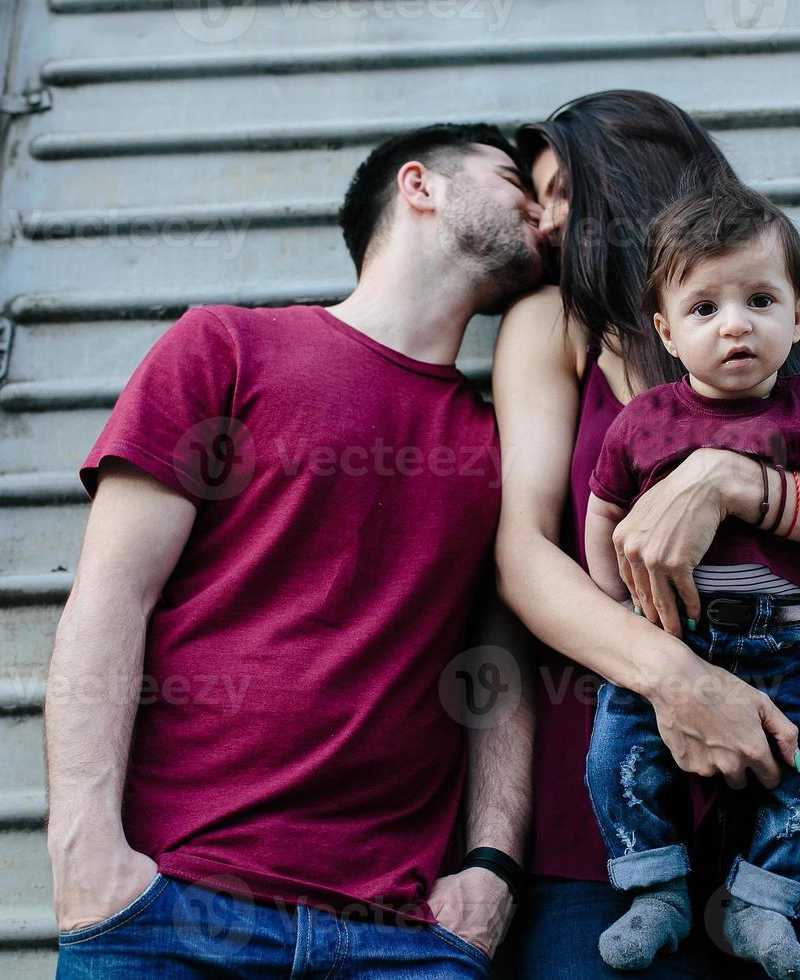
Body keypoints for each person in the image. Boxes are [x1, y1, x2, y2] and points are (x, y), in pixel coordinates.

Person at [493, 90, 800, 978]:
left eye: (566, 189)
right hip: (614, 807)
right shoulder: (557, 326)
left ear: (638, 174)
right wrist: (679, 684)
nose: (546, 220)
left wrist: (739, 484)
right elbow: (525, 555)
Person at [44, 123, 544, 977]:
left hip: (405, 936)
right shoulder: (226, 347)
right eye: (513, 182)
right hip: (174, 904)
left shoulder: (505, 438)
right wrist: (84, 844)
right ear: (420, 186)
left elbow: (497, 658)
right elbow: (109, 595)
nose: (545, 211)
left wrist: (493, 868)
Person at [582, 174, 800, 979]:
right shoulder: (646, 421)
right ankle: (656, 892)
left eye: (760, 301)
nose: (735, 325)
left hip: (785, 649)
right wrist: (610, 594)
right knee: (615, 760)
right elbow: (602, 510)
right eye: (705, 309)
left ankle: (762, 903)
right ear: (667, 333)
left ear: (797, 315)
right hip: (673, 638)